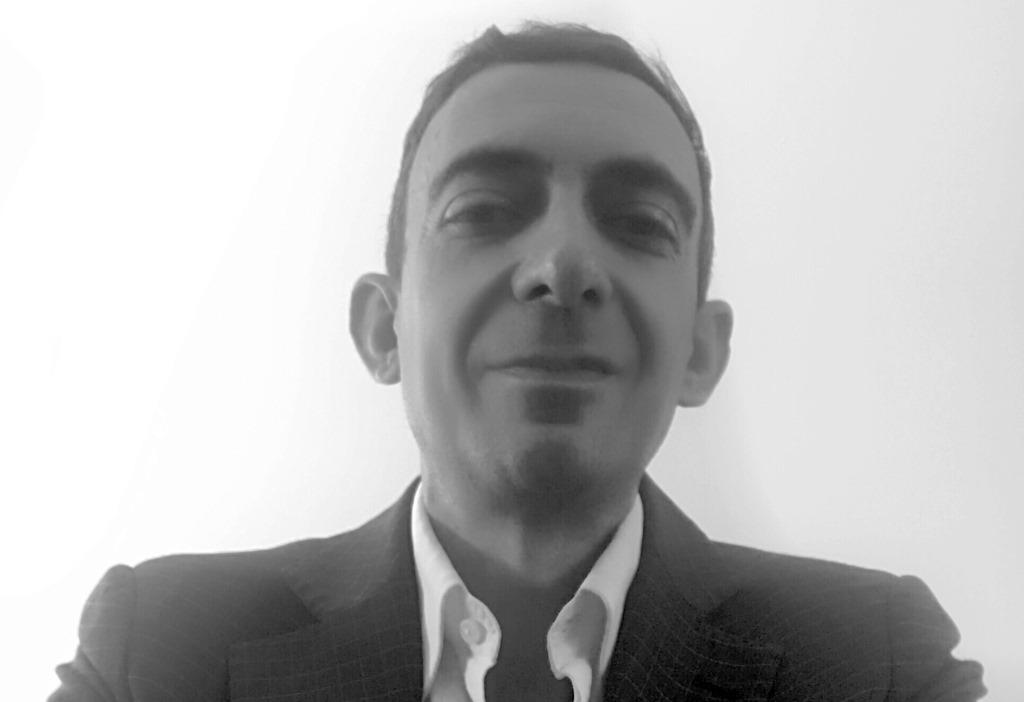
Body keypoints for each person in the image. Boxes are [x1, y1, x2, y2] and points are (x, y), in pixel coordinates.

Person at [49, 22, 986, 702]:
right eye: (485, 211)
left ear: (701, 353)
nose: (564, 265)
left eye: (639, 223)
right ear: (382, 329)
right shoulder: (161, 653)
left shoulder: (875, 666)